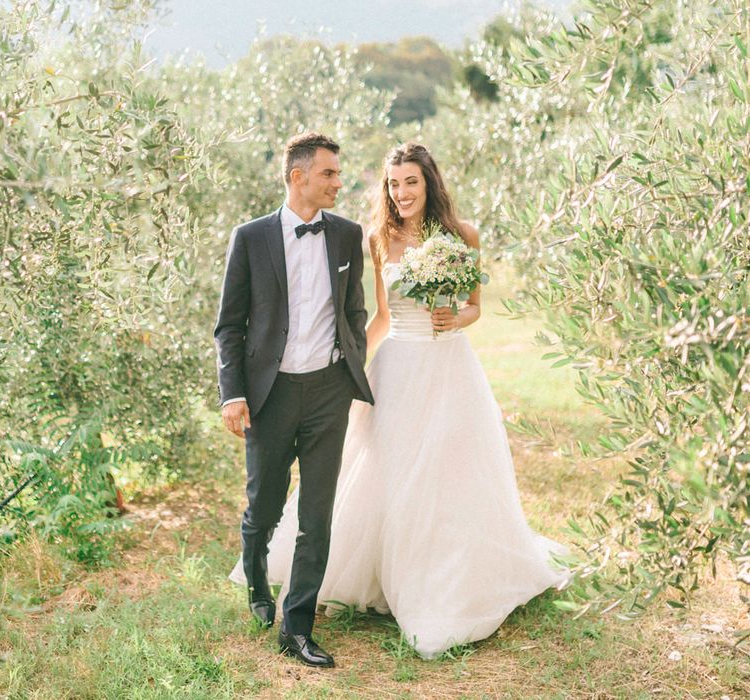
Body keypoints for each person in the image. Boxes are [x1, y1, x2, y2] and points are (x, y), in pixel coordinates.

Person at [230, 141, 568, 659]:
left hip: (450, 366)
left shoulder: (462, 236)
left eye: (410, 181)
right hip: (397, 367)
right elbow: (379, 317)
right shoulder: (376, 239)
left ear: (428, 182)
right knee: (380, 473)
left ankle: (442, 583)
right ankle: (356, 579)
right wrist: (355, 373)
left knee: (449, 476)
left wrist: (456, 318)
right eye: (393, 183)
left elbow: (475, 307)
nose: (402, 192)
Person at [215, 132, 373, 668]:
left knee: (317, 514)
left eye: (338, 172)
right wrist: (233, 393)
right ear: (297, 176)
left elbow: (356, 312)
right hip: (271, 394)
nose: (338, 182)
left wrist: (352, 365)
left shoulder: (348, 236)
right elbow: (228, 327)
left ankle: (297, 625)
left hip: (330, 392)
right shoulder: (251, 237)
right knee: (264, 504)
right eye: (329, 173)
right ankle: (256, 573)